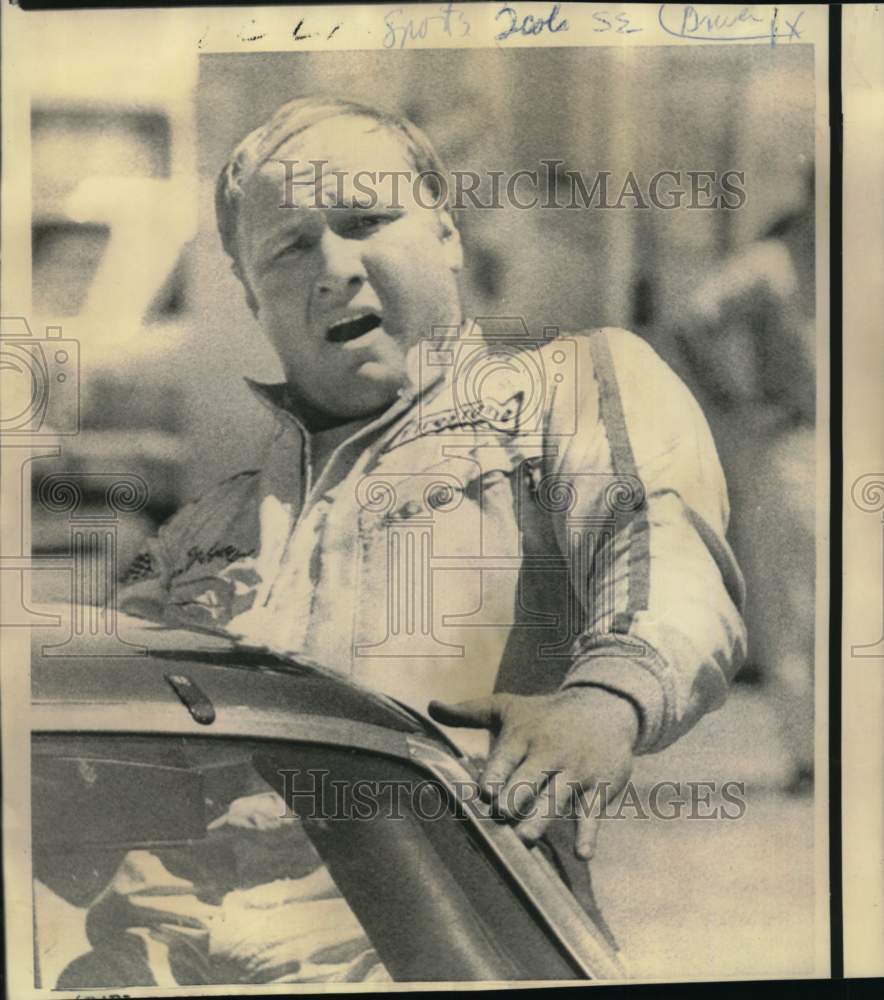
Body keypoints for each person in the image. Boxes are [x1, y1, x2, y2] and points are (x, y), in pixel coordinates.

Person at [120, 97, 746, 878]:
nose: (334, 269)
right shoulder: (204, 526)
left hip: (430, 936)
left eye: (366, 220)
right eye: (288, 250)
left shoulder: (562, 393)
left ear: (447, 235)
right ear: (252, 297)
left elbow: (661, 555)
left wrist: (608, 698)